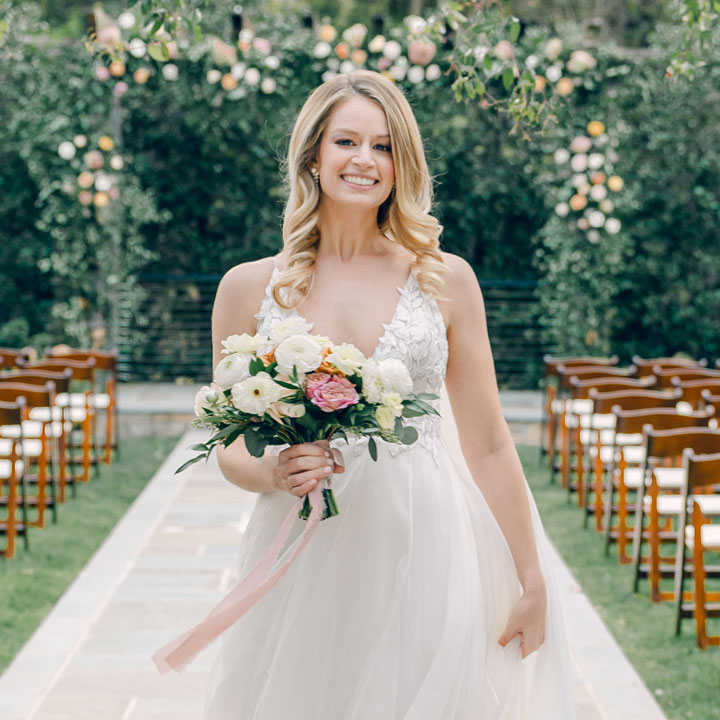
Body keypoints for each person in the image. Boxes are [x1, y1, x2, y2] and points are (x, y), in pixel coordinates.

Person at [203, 69, 575, 718]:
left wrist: (531, 572)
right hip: (301, 545)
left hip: (425, 539)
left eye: (384, 146)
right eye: (347, 141)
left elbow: (487, 443)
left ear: (402, 165)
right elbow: (227, 444)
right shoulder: (246, 287)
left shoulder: (447, 281)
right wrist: (273, 470)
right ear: (314, 156)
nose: (365, 160)